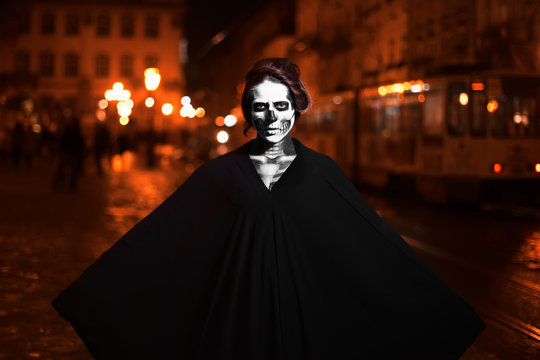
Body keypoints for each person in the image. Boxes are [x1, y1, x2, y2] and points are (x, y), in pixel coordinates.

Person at [52, 58, 485, 359]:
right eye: (260, 106)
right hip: (235, 330)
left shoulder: (322, 173)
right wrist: (96, 297)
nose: (272, 117)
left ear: (297, 107)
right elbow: (163, 241)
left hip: (308, 329)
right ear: (247, 111)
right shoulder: (219, 176)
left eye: (282, 106)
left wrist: (441, 314)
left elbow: (373, 247)